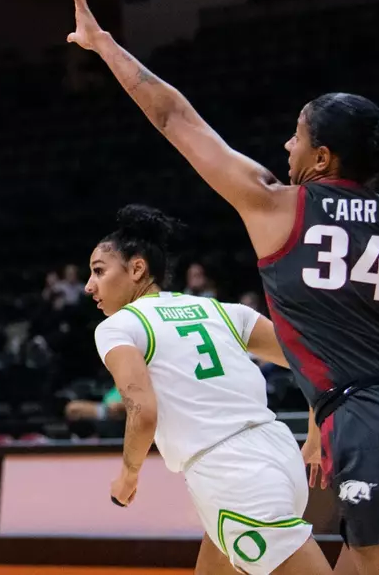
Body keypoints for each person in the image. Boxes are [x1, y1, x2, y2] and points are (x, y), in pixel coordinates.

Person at [67, 0, 379, 575]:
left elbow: (175, 118)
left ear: (323, 157)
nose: (286, 147)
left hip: (362, 429)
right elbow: (303, 346)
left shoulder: (276, 206)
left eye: (297, 138)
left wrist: (105, 45)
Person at [88, 204, 331, 575]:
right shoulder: (220, 310)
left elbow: (143, 411)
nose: (90, 286)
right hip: (278, 455)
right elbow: (317, 359)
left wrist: (128, 475)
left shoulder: (119, 326)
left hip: (230, 472)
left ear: (137, 269)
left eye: (99, 271)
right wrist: (315, 433)